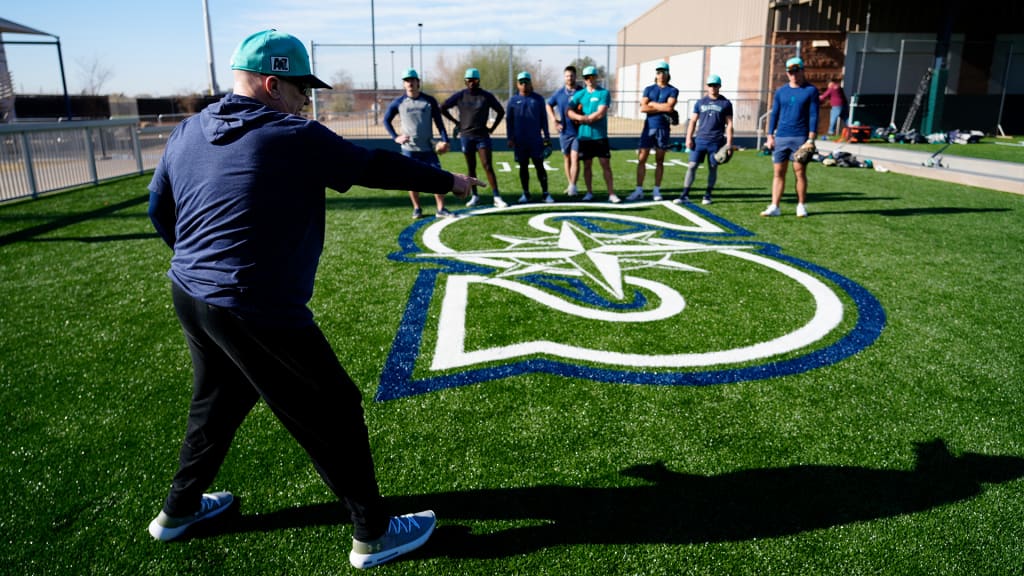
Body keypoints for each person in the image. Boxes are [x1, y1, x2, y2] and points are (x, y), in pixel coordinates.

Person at [145, 30, 482, 570]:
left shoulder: (188, 130)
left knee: (218, 403)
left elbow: (160, 209)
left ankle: (178, 511)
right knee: (333, 408)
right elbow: (375, 166)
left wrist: (200, 265)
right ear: (272, 83)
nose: (308, 98)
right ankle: (373, 532)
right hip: (251, 304)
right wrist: (449, 179)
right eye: (302, 87)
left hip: (190, 291)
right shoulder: (293, 134)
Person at [384, 68, 454, 219]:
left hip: (428, 148)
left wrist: (445, 140)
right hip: (409, 149)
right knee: (412, 179)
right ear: (403, 84)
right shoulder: (399, 103)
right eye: (407, 80)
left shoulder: (429, 101)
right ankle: (417, 208)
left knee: (438, 177)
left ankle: (441, 209)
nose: (410, 83)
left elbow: (439, 123)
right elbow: (386, 120)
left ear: (418, 82)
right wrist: (395, 137)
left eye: (412, 80)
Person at [441, 68, 507, 208]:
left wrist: (492, 128)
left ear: (479, 81)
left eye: (474, 80)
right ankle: (475, 196)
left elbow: (500, 111)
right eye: (469, 80)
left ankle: (496, 196)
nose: (472, 83)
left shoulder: (486, 96)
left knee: (487, 165)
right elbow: (443, 107)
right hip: (466, 136)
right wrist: (456, 122)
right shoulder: (460, 96)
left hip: (482, 136)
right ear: (465, 81)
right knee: (471, 168)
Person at [762, 56, 818, 218]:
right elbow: (775, 114)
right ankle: (775, 206)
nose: (793, 75)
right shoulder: (781, 92)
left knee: (799, 171)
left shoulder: (810, 90)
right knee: (778, 172)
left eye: (796, 71)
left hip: (800, 137)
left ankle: (801, 205)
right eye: (790, 72)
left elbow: (814, 114)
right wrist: (770, 135)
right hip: (782, 137)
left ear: (802, 71)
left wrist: (811, 137)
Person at [678, 74, 734, 205]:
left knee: (713, 167)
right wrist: (688, 138)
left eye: (715, 85)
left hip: (716, 141)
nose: (712, 88)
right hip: (700, 140)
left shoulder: (725, 103)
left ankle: (708, 195)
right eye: (710, 85)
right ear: (707, 87)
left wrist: (729, 144)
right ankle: (685, 194)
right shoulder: (700, 102)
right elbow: (692, 121)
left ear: (719, 86)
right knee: (692, 166)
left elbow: (729, 124)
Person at [567, 66, 619, 203]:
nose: (589, 80)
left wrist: (586, 119)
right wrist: (579, 118)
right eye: (586, 77)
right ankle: (589, 192)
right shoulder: (580, 94)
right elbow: (569, 110)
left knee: (605, 164)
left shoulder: (604, 93)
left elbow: (601, 112)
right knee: (587, 165)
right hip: (584, 136)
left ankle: (611, 193)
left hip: (599, 135)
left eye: (591, 76)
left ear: (596, 77)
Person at [629, 62, 678, 202]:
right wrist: (660, 106)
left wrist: (652, 104)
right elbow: (643, 108)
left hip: (663, 128)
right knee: (642, 158)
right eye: (658, 72)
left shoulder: (672, 90)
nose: (661, 75)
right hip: (648, 127)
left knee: (660, 160)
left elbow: (669, 108)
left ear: (668, 74)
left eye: (663, 72)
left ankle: (656, 190)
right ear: (655, 74)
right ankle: (639, 189)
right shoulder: (649, 89)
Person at [506, 71, 552, 203]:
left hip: (535, 140)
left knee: (539, 166)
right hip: (520, 141)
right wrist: (510, 138)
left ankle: (545, 193)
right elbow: (509, 121)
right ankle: (525, 193)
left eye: (526, 82)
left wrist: (547, 137)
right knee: (523, 167)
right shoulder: (513, 101)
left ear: (530, 83)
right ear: (517, 84)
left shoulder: (538, 99)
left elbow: (544, 119)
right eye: (521, 82)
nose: (524, 84)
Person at [546, 66, 582, 197]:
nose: (569, 78)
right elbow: (548, 104)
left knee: (575, 158)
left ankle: (573, 185)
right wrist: (554, 120)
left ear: (575, 76)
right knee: (567, 158)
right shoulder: (559, 93)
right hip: (564, 132)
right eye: (567, 76)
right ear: (564, 77)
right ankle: (570, 183)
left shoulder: (582, 92)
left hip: (579, 131)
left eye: (572, 75)